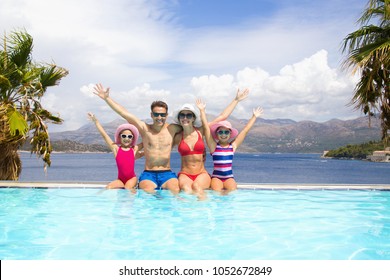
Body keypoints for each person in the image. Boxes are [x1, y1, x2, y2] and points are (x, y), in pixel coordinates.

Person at [93, 83, 182, 194]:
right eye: (156, 114)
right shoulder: (144, 128)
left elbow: (191, 127)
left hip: (167, 173)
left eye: (163, 115)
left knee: (176, 191)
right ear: (151, 114)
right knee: (147, 193)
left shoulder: (172, 129)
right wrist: (107, 99)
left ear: (167, 115)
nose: (160, 117)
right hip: (149, 173)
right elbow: (124, 113)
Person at [172, 89, 250, 197]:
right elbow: (163, 147)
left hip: (201, 174)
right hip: (185, 174)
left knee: (196, 187)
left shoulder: (201, 131)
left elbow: (222, 117)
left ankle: (205, 212)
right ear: (179, 118)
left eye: (189, 115)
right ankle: (187, 213)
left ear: (194, 118)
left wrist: (236, 100)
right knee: (185, 190)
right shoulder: (177, 137)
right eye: (182, 115)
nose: (185, 118)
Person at [196, 98, 263, 192]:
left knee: (232, 192)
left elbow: (245, 131)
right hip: (216, 178)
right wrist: (202, 111)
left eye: (226, 132)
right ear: (217, 134)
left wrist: (254, 117)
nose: (223, 135)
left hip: (229, 178)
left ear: (230, 134)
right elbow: (206, 128)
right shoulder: (214, 147)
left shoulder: (233, 146)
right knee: (216, 193)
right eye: (221, 132)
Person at [87, 112, 143, 190]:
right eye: (124, 136)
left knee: (128, 188)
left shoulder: (134, 149)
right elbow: (104, 135)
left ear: (132, 139)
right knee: (108, 188)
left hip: (132, 179)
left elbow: (147, 142)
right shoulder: (116, 149)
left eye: (129, 136)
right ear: (119, 137)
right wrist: (96, 121)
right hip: (120, 179)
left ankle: (134, 194)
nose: (127, 138)